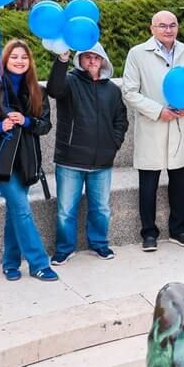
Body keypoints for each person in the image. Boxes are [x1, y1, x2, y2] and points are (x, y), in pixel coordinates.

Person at [0, 40, 56, 282]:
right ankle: (39, 263)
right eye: (14, 57)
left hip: (26, 162)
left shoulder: (38, 90)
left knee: (14, 212)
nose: (19, 61)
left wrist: (27, 121)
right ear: (5, 59)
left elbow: (45, 126)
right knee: (23, 209)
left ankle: (10, 263)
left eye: (24, 57)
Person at [122, 11, 184, 252]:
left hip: (180, 125)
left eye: (173, 25)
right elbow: (130, 91)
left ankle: (179, 230)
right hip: (152, 125)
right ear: (151, 29)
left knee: (180, 182)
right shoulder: (137, 54)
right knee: (148, 184)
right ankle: (149, 233)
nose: (168, 29)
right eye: (162, 25)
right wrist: (157, 111)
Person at [46, 43, 129, 265]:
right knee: (65, 210)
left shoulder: (112, 89)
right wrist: (61, 60)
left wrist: (114, 143)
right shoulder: (70, 82)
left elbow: (121, 119)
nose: (92, 61)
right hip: (70, 160)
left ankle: (99, 244)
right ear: (80, 60)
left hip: (102, 161)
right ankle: (64, 249)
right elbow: (53, 89)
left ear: (103, 61)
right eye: (87, 57)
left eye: (96, 57)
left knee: (101, 208)